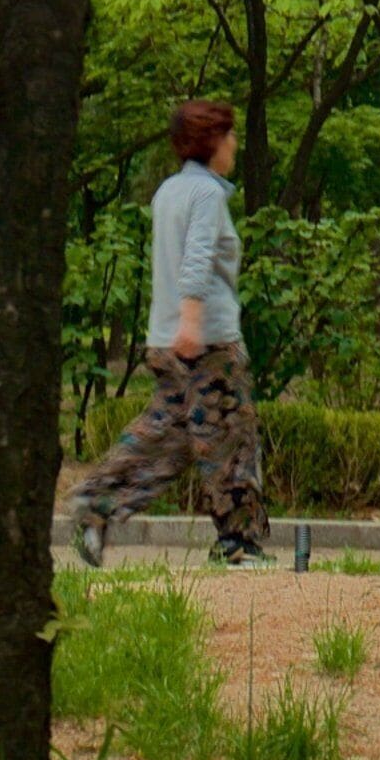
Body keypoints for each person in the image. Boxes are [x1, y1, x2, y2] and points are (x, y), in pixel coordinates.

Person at [68, 99, 270, 568]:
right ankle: (238, 544)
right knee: (231, 439)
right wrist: (194, 321)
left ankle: (98, 502)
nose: (235, 144)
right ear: (212, 142)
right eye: (229, 135)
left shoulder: (168, 192)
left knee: (170, 436)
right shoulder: (207, 196)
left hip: (167, 339)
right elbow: (197, 259)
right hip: (206, 340)